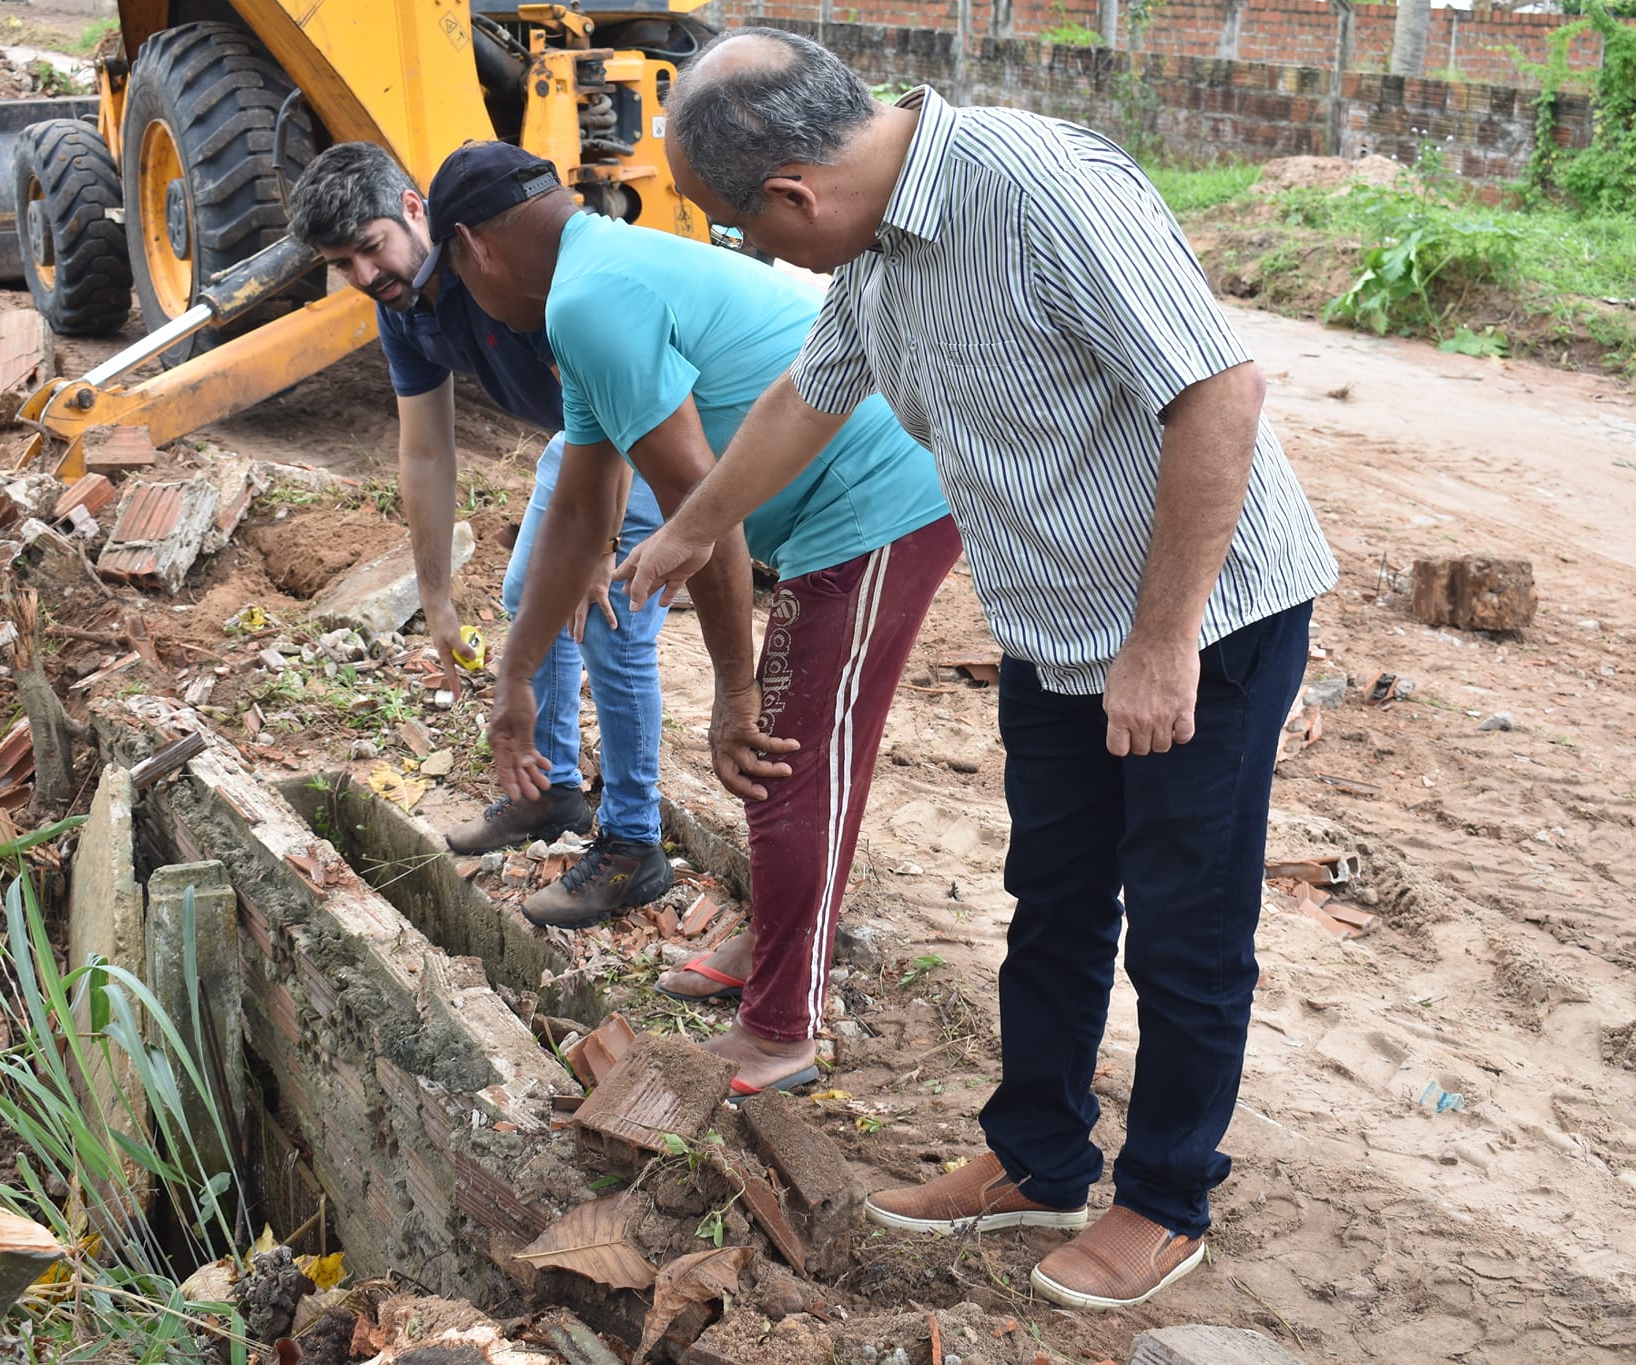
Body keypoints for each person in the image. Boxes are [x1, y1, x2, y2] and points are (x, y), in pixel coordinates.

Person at [622, 29, 1340, 1309]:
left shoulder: (1032, 187)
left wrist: (1162, 641)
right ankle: (1037, 1160)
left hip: (1200, 624)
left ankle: (1164, 1200)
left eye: (744, 229)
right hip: (1053, 629)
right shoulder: (878, 240)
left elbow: (1218, 394)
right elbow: (807, 391)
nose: (751, 254)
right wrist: (688, 528)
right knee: (1052, 906)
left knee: (1183, 931)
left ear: (792, 191)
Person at [422, 140, 959, 1095]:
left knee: (778, 749)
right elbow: (585, 511)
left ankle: (780, 1030)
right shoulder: (591, 283)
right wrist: (513, 675)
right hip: (832, 497)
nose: (462, 294)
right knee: (795, 743)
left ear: (474, 246)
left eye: (452, 272)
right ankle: (780, 935)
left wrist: (733, 686)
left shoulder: (592, 301)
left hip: (877, 494)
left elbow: (702, 518)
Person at [285, 143, 673, 926]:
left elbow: (622, 407)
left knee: (610, 622)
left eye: (370, 246)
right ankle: (551, 791)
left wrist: (596, 553)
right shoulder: (402, 307)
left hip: (657, 428)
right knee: (528, 592)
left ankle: (634, 845)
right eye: (341, 263)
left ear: (414, 209)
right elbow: (426, 451)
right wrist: (434, 596)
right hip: (587, 437)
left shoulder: (501, 266)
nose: (365, 275)